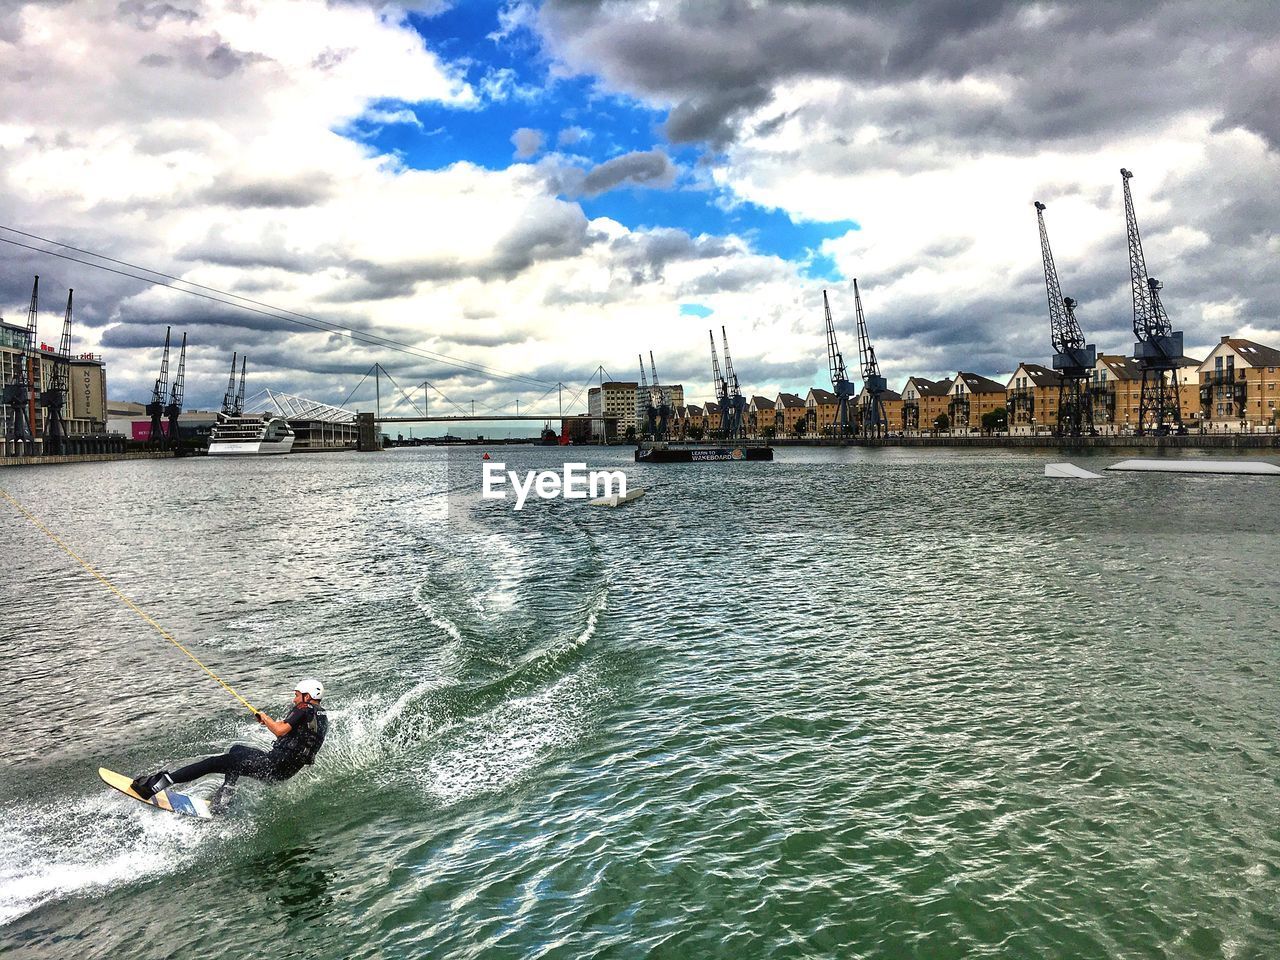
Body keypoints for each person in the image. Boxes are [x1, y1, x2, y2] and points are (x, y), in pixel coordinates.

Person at [131, 678, 328, 812]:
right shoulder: (321, 716)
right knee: (237, 750)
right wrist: (267, 722)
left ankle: (158, 784)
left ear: (307, 696)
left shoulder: (304, 707)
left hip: (271, 765)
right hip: (283, 771)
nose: (294, 699)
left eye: (297, 695)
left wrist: (267, 718)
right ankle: (226, 794)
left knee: (215, 762)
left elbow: (280, 730)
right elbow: (297, 738)